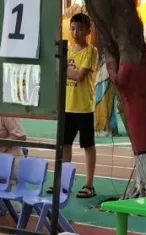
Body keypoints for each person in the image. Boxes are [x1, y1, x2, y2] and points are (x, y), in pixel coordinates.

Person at [64, 13, 98, 198]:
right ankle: (64, 183)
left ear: (88, 30)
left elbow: (79, 76)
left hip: (83, 107)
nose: (76, 32)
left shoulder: (91, 52)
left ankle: (89, 184)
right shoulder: (68, 50)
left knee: (87, 145)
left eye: (80, 29)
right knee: (65, 144)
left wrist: (62, 67)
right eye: (73, 28)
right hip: (67, 106)